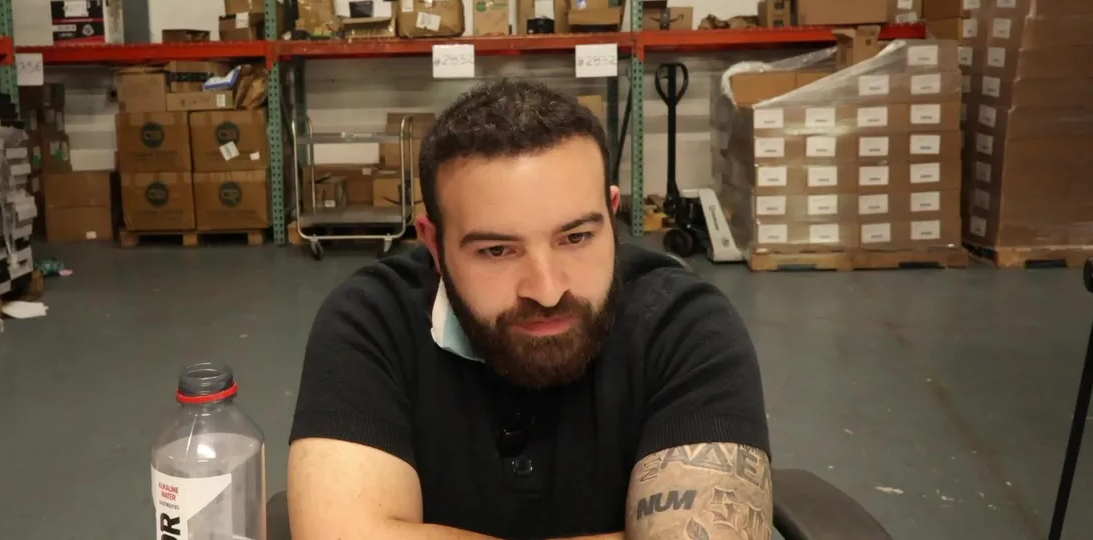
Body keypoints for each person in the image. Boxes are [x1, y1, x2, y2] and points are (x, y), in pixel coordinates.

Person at [288, 79, 771, 540]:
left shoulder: (685, 328)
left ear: (611, 215)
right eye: (497, 250)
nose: (546, 290)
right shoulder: (371, 324)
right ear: (433, 244)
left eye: (576, 238)